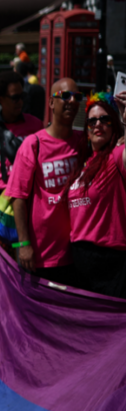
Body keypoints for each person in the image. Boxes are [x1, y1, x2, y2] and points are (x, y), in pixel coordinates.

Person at [4, 78, 83, 284]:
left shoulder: (83, 143)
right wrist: (24, 244)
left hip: (75, 254)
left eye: (77, 97)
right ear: (50, 103)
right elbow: (17, 197)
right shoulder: (33, 144)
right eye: (65, 96)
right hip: (39, 257)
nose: (71, 102)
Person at [66, 92, 126, 297]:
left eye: (105, 119)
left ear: (114, 124)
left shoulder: (116, 155)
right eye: (92, 121)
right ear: (87, 130)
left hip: (110, 263)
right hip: (80, 260)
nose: (98, 124)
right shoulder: (83, 164)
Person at [0, 71, 42, 234]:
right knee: (2, 257)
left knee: (29, 253)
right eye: (14, 97)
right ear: (0, 99)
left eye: (22, 96)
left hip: (30, 200)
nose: (20, 101)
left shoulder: (36, 125)